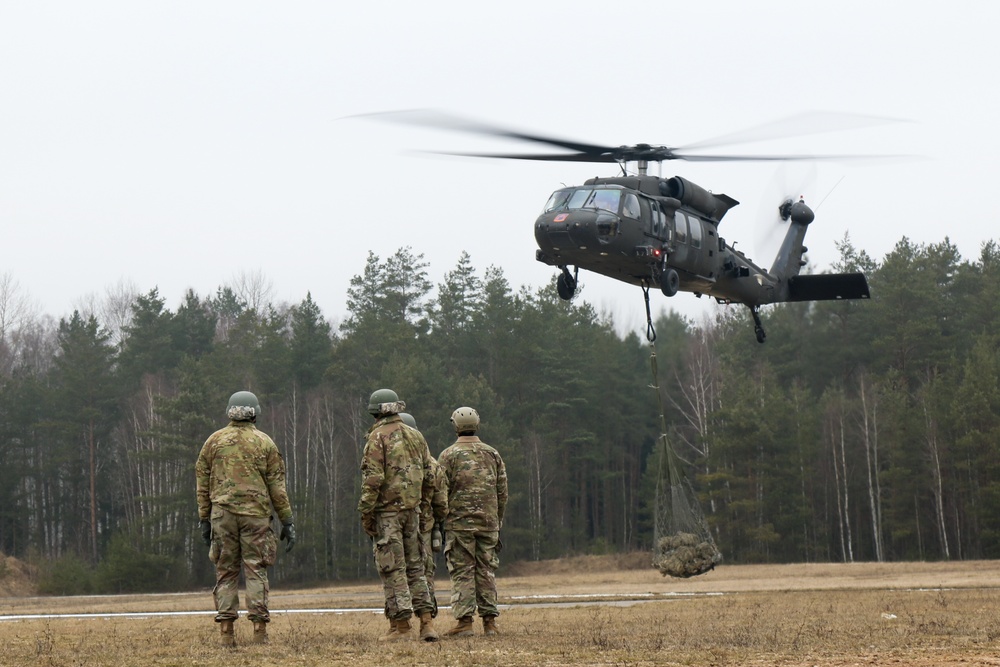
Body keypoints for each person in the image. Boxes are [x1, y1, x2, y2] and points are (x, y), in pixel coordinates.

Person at [196, 390, 296, 647]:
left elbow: (202, 483)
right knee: (256, 570)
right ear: (255, 413)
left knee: (225, 571)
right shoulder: (265, 443)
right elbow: (277, 486)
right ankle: (259, 631)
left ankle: (227, 632)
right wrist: (287, 520)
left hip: (223, 515)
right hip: (256, 516)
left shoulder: (213, 442)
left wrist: (204, 518)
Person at [358, 389, 439, 642]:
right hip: (412, 512)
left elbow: (373, 480)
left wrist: (366, 512)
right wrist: (423, 508)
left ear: (374, 412)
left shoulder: (376, 437)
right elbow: (429, 477)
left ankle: (402, 626)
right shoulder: (416, 435)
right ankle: (427, 623)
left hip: (388, 514)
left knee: (392, 568)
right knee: (416, 568)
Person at [438, 406, 508, 637]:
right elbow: (502, 492)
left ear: (455, 427)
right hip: (488, 524)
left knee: (462, 572)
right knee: (486, 571)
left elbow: (440, 491)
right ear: (477, 424)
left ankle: (465, 622)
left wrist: (441, 518)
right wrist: (497, 520)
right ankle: (490, 623)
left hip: (459, 525)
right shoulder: (492, 454)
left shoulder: (448, 455)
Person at [399, 412, 448, 623]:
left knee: (398, 570)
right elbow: (442, 503)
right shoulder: (433, 464)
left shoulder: (391, 463)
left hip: (398, 526)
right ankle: (427, 619)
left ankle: (400, 620)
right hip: (425, 527)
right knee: (424, 571)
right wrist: (437, 521)